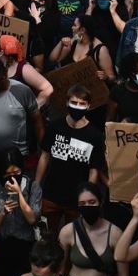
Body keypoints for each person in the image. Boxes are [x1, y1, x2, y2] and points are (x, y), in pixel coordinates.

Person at [36, 86, 106, 230]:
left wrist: (86, 198)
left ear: (89, 106)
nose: (77, 107)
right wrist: (36, 185)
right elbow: (44, 157)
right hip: (50, 194)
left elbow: (94, 170)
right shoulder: (55, 127)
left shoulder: (95, 135)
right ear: (67, 103)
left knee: (73, 238)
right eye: (74, 103)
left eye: (82, 104)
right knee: (47, 235)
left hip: (76, 200)